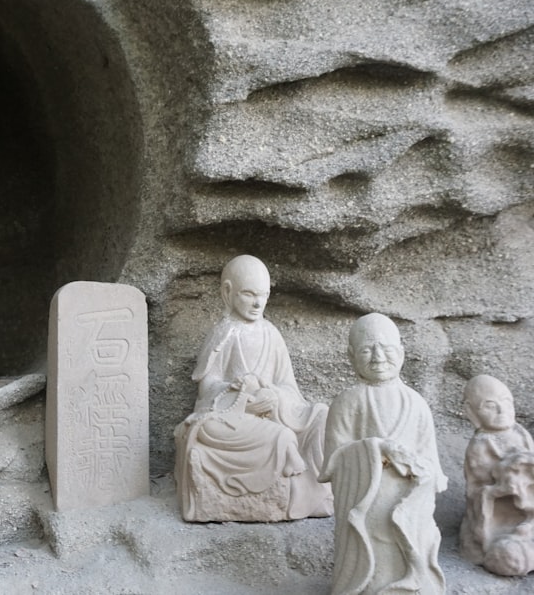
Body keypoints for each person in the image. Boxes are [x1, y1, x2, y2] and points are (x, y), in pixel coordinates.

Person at [174, 254, 331, 521]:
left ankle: (315, 493)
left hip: (274, 412)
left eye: (264, 295)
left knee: (322, 415)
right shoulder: (224, 333)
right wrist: (240, 396)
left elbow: (288, 386)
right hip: (234, 417)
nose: (258, 302)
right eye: (249, 294)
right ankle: (287, 495)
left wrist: (275, 396)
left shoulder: (271, 333)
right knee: (279, 437)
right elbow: (207, 387)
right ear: (228, 292)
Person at [320, 313, 446, 595]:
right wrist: (376, 449)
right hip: (367, 497)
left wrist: (417, 469)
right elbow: (333, 460)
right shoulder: (347, 401)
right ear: (351, 356)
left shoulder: (416, 404)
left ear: (401, 352)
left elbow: (431, 463)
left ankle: (414, 581)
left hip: (408, 495)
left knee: (412, 532)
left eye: (386, 348)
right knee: (375, 529)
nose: (378, 357)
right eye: (367, 349)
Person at [460, 374, 534, 576]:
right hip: (500, 511)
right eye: (490, 406)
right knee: (507, 556)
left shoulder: (520, 433)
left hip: (527, 502)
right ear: (471, 412)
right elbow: (477, 490)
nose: (502, 411)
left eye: (507, 402)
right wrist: (503, 487)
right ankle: (510, 550)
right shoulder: (480, 445)